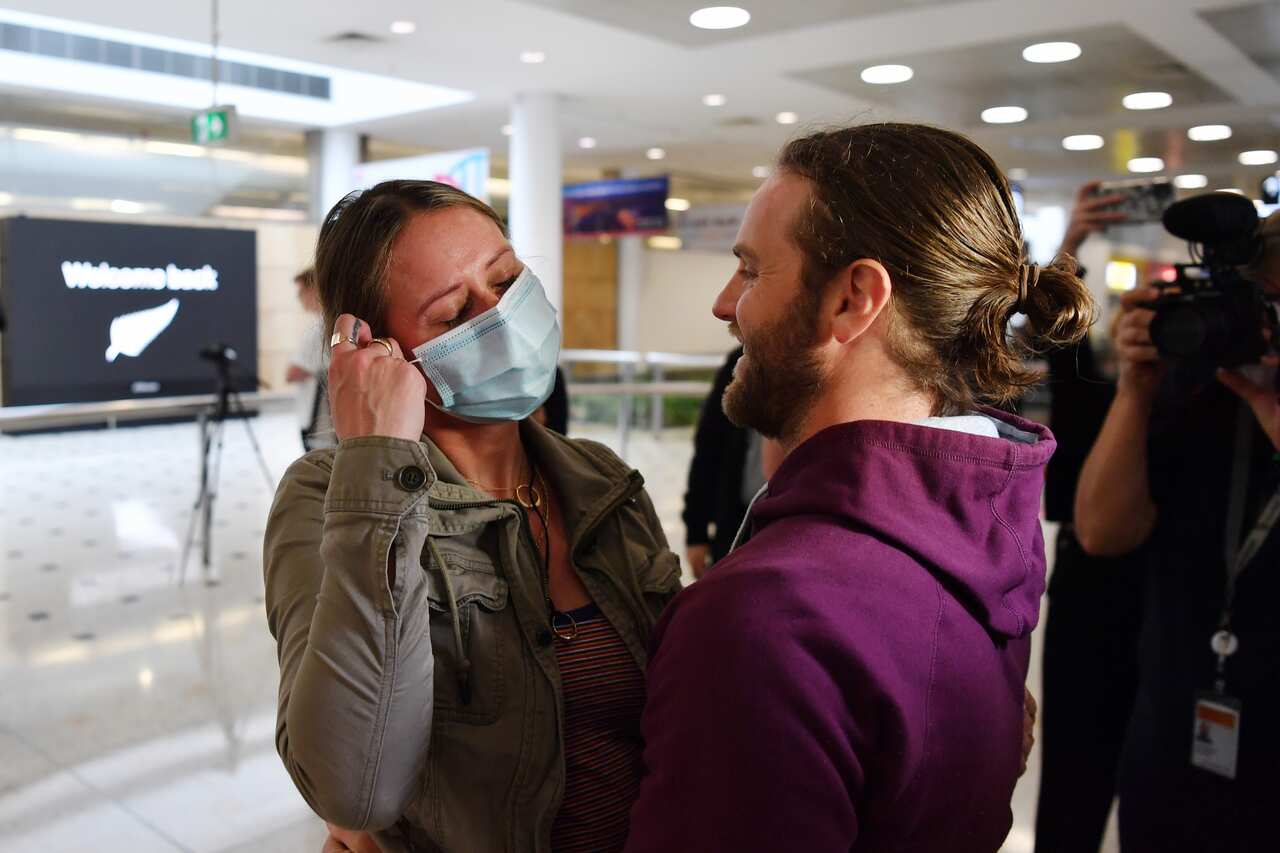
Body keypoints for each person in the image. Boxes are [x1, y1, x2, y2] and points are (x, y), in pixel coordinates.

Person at [624, 123, 1093, 853]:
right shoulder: (989, 524)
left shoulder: (766, 617)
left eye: (751, 270)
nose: (723, 303)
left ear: (853, 298)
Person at [262, 180, 682, 853]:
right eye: (455, 312)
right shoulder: (325, 497)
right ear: (380, 354)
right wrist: (377, 461)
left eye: (507, 279)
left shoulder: (601, 480)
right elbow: (356, 790)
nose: (502, 316)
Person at [1074, 208, 1280, 852]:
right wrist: (1134, 389)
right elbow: (1102, 532)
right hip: (1174, 722)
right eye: (1256, 301)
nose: (1262, 325)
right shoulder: (1194, 387)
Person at [1033, 183, 1147, 853]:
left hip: (1178, 589)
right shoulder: (1093, 389)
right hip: (1091, 584)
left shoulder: (1222, 395)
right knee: (1073, 787)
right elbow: (1054, 335)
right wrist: (1071, 245)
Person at [681, 346, 769, 577]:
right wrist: (696, 531)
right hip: (737, 523)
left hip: (791, 528)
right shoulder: (741, 360)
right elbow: (709, 447)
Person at [285, 268, 334, 451]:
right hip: (326, 422)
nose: (298, 298)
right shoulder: (331, 325)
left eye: (301, 292)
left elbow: (292, 374)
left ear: (314, 289)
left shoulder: (319, 331)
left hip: (318, 424)